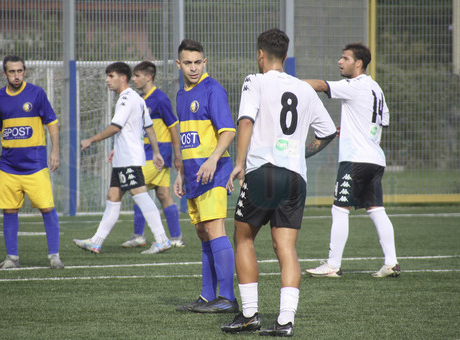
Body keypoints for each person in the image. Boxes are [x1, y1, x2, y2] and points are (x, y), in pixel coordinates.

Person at [221, 29, 337, 336]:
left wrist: (239, 163)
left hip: (264, 172)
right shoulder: (303, 89)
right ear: (285, 57)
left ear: (260, 54)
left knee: (243, 238)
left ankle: (249, 315)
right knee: (286, 248)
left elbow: (245, 121)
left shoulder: (254, 81)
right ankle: (285, 321)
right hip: (295, 177)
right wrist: (303, 153)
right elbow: (327, 133)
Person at [304, 43, 400, 278]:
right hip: (375, 159)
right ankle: (391, 262)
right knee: (376, 209)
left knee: (340, 209)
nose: (340, 61)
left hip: (355, 159)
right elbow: (379, 122)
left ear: (358, 64)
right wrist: (347, 129)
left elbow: (320, 86)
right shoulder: (376, 88)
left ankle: (332, 265)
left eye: (345, 58)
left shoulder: (354, 85)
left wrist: (285, 83)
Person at [73, 62, 171, 255]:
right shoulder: (138, 98)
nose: (107, 80)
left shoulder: (126, 98)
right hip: (123, 157)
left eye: (111, 76)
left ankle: (162, 239)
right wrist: (156, 152)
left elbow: (116, 126)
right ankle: (96, 241)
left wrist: (91, 139)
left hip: (128, 159)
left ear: (122, 78)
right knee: (113, 197)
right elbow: (148, 127)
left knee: (141, 195)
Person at [173, 39, 238, 313]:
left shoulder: (213, 90)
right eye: (187, 63)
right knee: (203, 233)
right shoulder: (181, 95)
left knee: (214, 229)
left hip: (215, 172)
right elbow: (186, 140)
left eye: (198, 62)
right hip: (192, 177)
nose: (193, 68)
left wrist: (213, 159)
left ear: (205, 62)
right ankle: (207, 296)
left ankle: (228, 298)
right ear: (179, 64)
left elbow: (228, 131)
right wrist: (179, 174)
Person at [0, 55, 64, 269]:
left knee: (47, 208)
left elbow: (52, 123)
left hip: (35, 165)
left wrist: (55, 151)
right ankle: (12, 258)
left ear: (25, 71)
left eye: (20, 71)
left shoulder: (36, 93)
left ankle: (54, 256)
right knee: (9, 211)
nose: (16, 75)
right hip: (9, 166)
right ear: (5, 74)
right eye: (12, 72)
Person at [120, 61, 184, 249]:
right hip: (145, 153)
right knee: (163, 194)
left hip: (157, 155)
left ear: (149, 77)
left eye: (138, 75)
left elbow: (173, 127)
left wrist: (177, 155)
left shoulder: (160, 98)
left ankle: (140, 235)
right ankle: (177, 237)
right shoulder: (140, 99)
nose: (134, 79)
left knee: (137, 188)